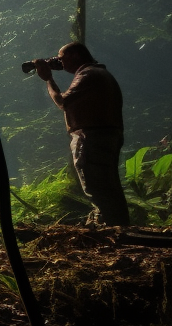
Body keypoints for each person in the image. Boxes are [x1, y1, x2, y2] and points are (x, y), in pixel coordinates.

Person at [34, 42, 129, 226]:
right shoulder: (100, 73)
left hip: (92, 137)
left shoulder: (88, 74)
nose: (60, 62)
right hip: (108, 135)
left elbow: (63, 102)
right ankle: (119, 227)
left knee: (95, 186)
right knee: (109, 187)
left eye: (62, 58)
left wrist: (48, 79)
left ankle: (112, 228)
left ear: (76, 56)